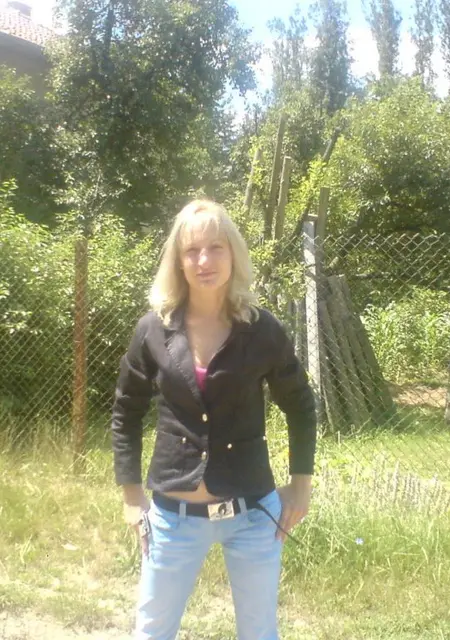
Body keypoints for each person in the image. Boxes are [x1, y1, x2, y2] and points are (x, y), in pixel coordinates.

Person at [111, 199, 317, 640]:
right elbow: (126, 409)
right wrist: (131, 495)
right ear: (178, 261)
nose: (204, 260)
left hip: (253, 514)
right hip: (173, 517)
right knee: (151, 632)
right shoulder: (152, 329)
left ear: (233, 253)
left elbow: (300, 404)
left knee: (260, 633)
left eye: (215, 247)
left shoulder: (263, 330)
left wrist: (301, 485)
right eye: (192, 250)